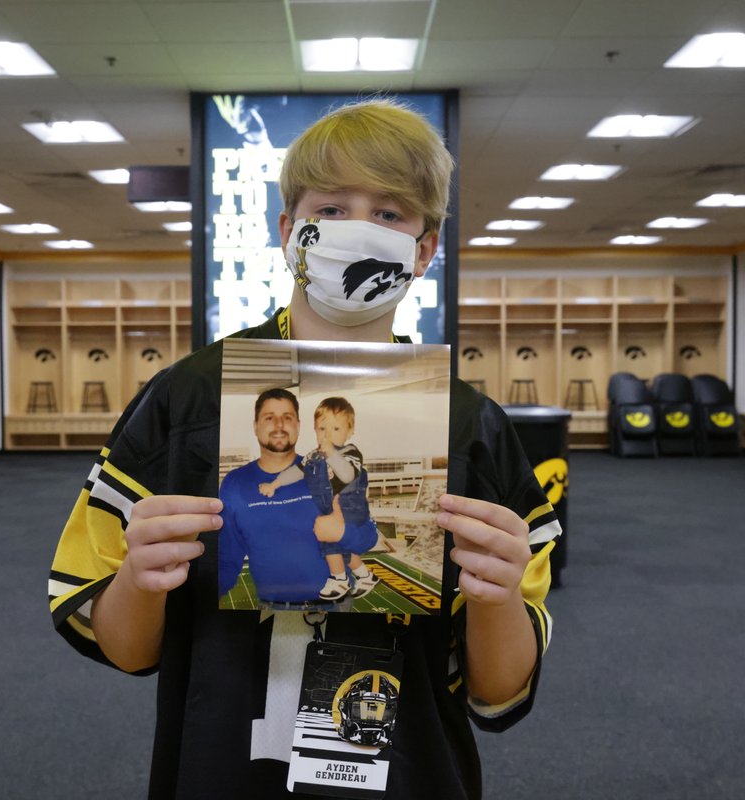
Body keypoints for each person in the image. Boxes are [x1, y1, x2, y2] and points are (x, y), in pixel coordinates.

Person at [48, 98, 562, 800]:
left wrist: (499, 595)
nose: (359, 229)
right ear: (289, 230)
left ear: (425, 248)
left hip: (409, 772)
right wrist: (140, 577)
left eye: (389, 213)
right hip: (221, 768)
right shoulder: (189, 401)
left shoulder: (470, 428)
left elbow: (497, 692)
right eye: (333, 206)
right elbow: (123, 647)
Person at [217, 388, 343, 606]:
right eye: (269, 418)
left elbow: (363, 529)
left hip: (337, 605)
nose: (279, 425)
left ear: (298, 426)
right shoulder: (235, 484)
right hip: (272, 608)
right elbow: (227, 558)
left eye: (287, 417)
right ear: (256, 426)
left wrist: (345, 528)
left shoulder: (327, 470)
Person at [259, 396, 380, 601]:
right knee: (337, 547)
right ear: (314, 430)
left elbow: (347, 475)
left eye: (336, 429)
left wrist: (332, 454)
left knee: (329, 541)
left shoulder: (350, 453)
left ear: (349, 431)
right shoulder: (313, 456)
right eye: (322, 429)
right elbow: (296, 472)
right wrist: (275, 484)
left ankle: (339, 579)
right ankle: (365, 576)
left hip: (353, 514)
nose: (327, 435)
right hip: (329, 512)